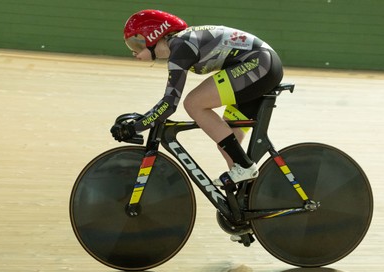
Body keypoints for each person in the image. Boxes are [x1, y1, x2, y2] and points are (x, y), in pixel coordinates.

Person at [111, 9, 283, 187]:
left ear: (153, 36)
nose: (134, 52)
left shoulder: (180, 46)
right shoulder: (181, 43)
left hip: (259, 65)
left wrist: (137, 126)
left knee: (194, 103)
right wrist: (144, 121)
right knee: (229, 142)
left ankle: (246, 167)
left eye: (136, 43)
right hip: (263, 66)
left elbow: (170, 103)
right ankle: (246, 203)